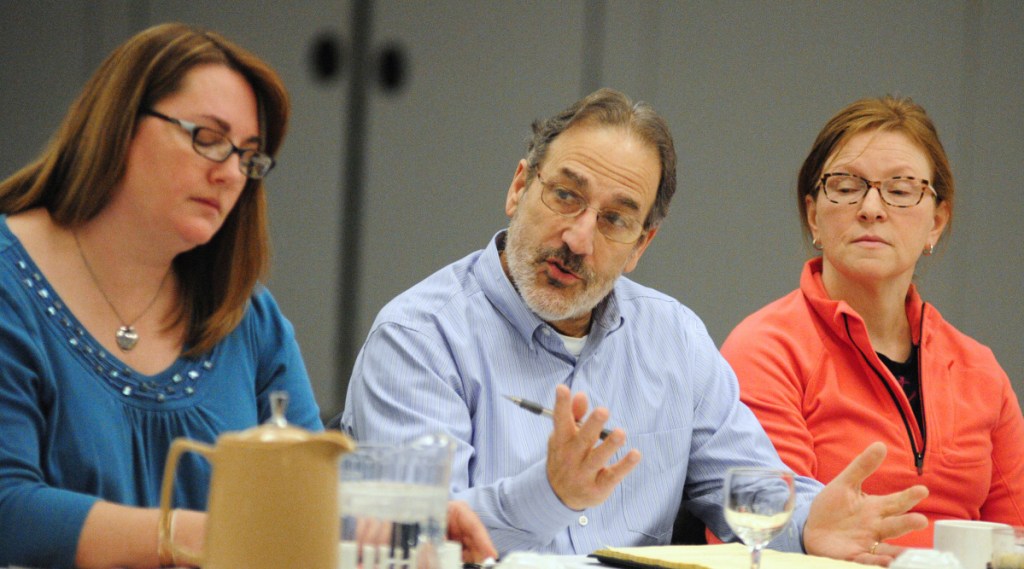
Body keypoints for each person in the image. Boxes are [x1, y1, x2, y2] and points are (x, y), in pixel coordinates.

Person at [341, 88, 928, 564]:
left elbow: (745, 485)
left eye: (616, 220)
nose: (577, 238)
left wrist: (804, 520)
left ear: (641, 245)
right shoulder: (420, 336)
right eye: (565, 196)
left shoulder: (673, 340)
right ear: (520, 186)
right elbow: (414, 543)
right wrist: (546, 496)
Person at [0, 23, 494, 569]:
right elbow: (8, 508)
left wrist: (402, 529)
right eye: (207, 138)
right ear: (119, 124)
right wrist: (218, 535)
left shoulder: (245, 315)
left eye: (248, 156)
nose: (230, 173)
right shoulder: (10, 281)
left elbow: (310, 501)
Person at [720, 95, 1024, 549]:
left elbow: (1015, 537)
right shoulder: (767, 349)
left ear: (936, 223)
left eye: (901, 191)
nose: (871, 208)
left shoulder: (980, 371)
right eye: (846, 186)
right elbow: (757, 536)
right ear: (813, 215)